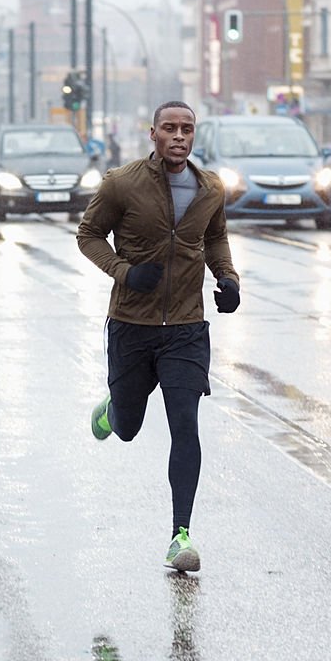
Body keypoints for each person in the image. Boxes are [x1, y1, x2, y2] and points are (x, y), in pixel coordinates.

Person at [76, 100, 240, 573]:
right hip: (132, 325)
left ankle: (180, 535)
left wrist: (227, 280)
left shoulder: (210, 187)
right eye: (169, 128)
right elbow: (88, 235)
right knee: (128, 427)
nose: (179, 136)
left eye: (187, 129)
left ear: (195, 135)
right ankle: (111, 410)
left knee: (185, 424)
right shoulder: (120, 184)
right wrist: (124, 272)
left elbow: (215, 238)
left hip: (186, 330)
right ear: (153, 134)